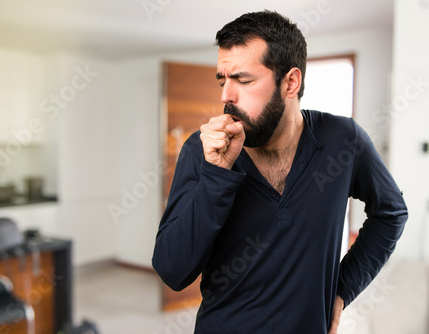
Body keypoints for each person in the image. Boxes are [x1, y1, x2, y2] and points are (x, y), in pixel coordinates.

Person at [152, 10, 408, 334]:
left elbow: (391, 213)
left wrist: (341, 292)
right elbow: (172, 271)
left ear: (291, 82)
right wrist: (217, 175)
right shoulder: (200, 150)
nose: (225, 96)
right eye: (222, 79)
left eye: (243, 80)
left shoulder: (343, 140)